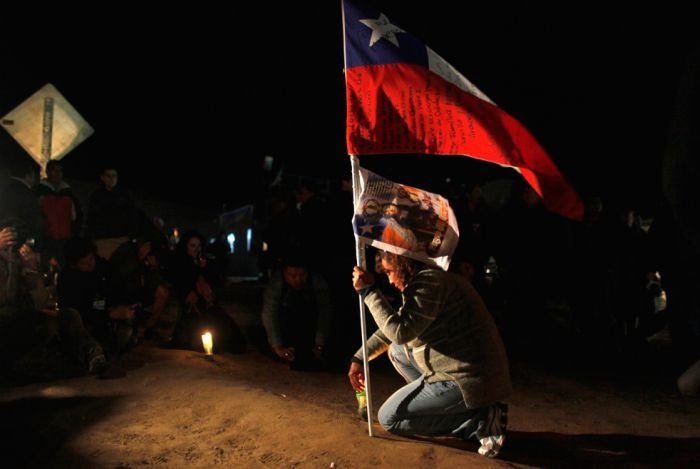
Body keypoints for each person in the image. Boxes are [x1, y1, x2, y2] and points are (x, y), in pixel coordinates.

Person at [348, 250, 512, 458]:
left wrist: (370, 292)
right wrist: (360, 358)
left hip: (467, 377)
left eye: (390, 272)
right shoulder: (430, 280)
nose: (389, 280)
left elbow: (400, 331)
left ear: (403, 265)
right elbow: (393, 331)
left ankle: (475, 421)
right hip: (461, 370)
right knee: (398, 351)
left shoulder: (431, 282)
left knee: (390, 418)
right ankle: (461, 410)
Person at [261, 253, 333, 371]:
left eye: (302, 275)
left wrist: (320, 344)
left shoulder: (317, 282)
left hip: (310, 325)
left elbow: (325, 312)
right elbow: (269, 314)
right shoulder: (276, 284)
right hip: (286, 326)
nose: (298, 279)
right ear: (284, 273)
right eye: (293, 276)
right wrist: (277, 346)